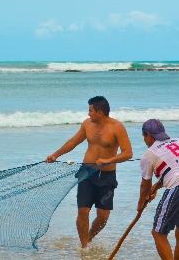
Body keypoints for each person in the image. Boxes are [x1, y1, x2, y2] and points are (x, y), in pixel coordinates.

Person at [46, 96, 133, 248]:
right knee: (83, 210)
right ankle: (84, 246)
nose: (88, 114)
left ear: (99, 112)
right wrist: (56, 154)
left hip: (107, 176)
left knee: (103, 216)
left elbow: (128, 153)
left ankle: (90, 237)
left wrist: (108, 160)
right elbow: (73, 142)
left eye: (90, 111)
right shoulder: (87, 124)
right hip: (86, 172)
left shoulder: (117, 127)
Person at [137, 119, 179, 260]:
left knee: (158, 233)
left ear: (148, 135)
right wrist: (155, 188)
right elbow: (175, 171)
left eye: (144, 136)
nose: (144, 140)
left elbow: (145, 187)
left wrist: (140, 204)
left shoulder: (147, 155)